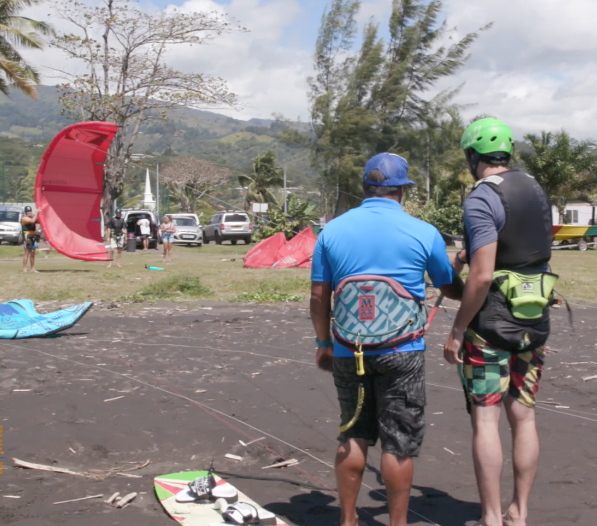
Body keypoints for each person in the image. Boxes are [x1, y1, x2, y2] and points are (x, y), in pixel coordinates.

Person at [310, 153, 464, 526]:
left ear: (365, 187)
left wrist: (323, 344)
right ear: (403, 190)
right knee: (399, 442)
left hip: (350, 348)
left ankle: (348, 520)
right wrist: (458, 271)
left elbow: (319, 296)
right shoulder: (423, 232)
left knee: (353, 431)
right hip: (402, 350)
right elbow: (451, 288)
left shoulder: (331, 231)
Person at [443, 118, 553, 526]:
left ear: (473, 156)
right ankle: (519, 513)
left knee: (486, 417)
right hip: (534, 316)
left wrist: (457, 329)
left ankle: (490, 517)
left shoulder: (480, 198)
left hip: (490, 326)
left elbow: (483, 274)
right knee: (524, 414)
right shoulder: (536, 189)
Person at [21, 205, 39, 273]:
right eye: (28, 211)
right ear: (26, 212)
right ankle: (24, 268)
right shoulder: (24, 218)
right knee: (27, 252)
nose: (29, 212)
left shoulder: (32, 217)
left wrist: (39, 214)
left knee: (33, 253)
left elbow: (38, 221)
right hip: (27, 236)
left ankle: (32, 268)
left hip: (33, 236)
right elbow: (32, 221)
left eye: (30, 211)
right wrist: (37, 212)